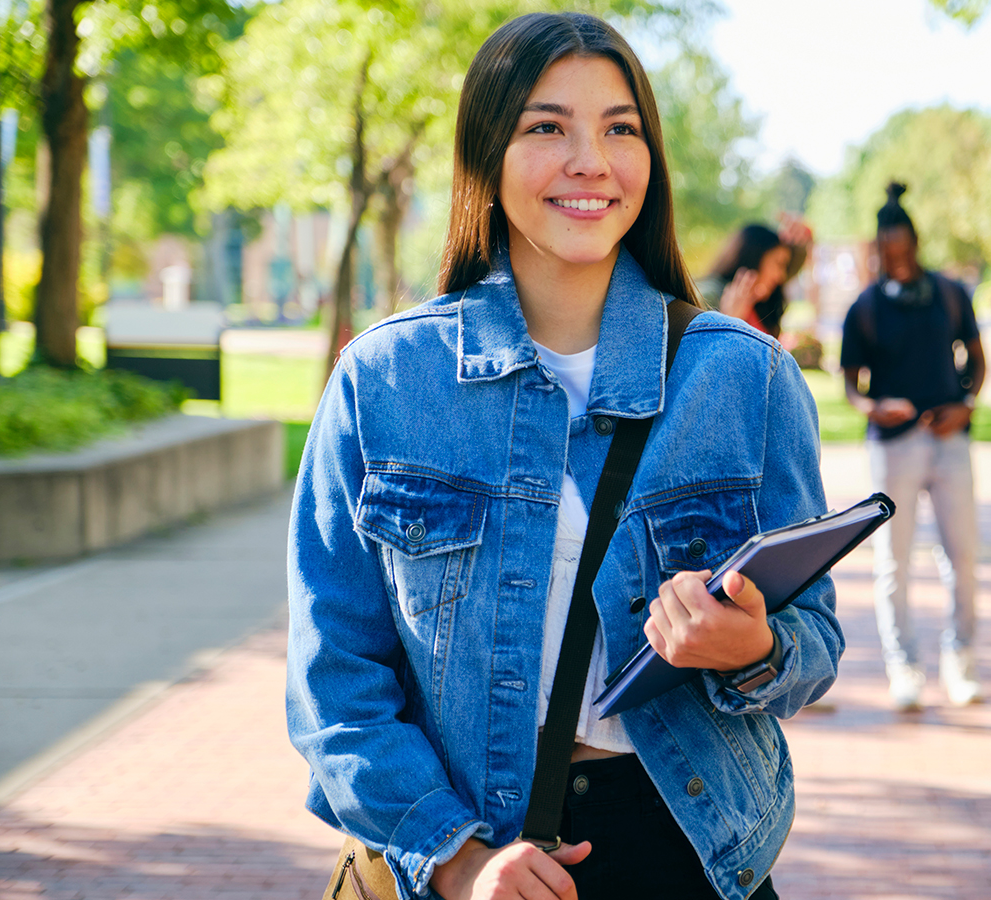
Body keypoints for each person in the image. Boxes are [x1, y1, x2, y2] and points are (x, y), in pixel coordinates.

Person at [286, 13, 840, 900]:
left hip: (690, 856)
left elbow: (815, 639)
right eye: (547, 128)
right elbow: (333, 684)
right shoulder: (384, 383)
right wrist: (459, 860)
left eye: (620, 129)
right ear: (485, 156)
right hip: (473, 858)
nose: (591, 160)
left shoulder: (746, 380)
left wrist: (754, 645)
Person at [839, 182, 987, 712]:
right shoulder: (866, 308)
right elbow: (851, 388)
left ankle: (960, 661)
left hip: (949, 442)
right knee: (893, 562)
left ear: (916, 243)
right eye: (887, 251)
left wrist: (966, 404)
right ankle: (904, 668)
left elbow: (977, 358)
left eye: (904, 249)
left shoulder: (950, 294)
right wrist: (873, 408)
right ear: (878, 249)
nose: (896, 260)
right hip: (893, 447)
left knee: (962, 556)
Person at [696, 216, 813, 339]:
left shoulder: (759, 305)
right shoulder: (709, 296)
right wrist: (731, 321)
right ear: (755, 257)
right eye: (779, 264)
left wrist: (803, 241)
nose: (781, 276)